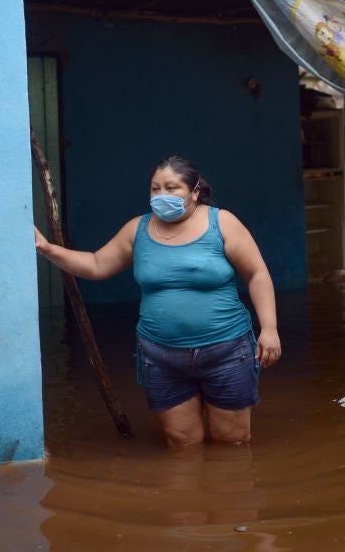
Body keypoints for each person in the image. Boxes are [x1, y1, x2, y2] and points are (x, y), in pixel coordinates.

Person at [34, 155, 281, 447]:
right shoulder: (137, 230)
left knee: (232, 441)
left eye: (172, 187)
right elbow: (97, 264)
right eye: (155, 188)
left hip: (226, 350)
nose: (162, 195)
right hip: (162, 356)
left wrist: (269, 328)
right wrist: (48, 249)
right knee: (181, 443)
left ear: (195, 192)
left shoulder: (222, 223)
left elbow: (257, 274)